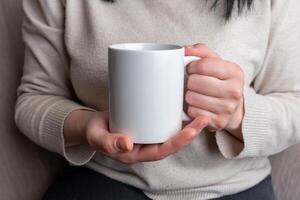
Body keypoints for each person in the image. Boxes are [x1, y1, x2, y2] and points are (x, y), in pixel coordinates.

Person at [15, 0, 300, 199]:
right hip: (107, 178)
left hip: (234, 186)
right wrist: (85, 127)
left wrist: (238, 115)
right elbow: (35, 97)